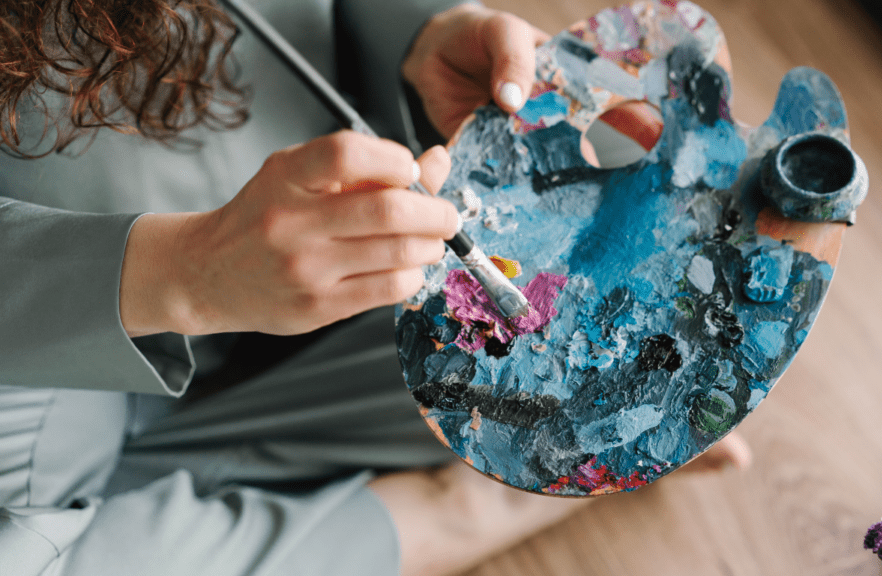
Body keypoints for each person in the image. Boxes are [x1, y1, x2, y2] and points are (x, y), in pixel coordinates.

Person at [0, 1, 752, 574]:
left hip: (309, 218)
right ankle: (451, 510)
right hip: (38, 323)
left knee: (627, 277)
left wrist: (419, 35)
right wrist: (174, 271)